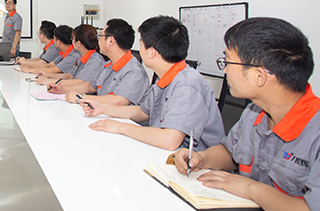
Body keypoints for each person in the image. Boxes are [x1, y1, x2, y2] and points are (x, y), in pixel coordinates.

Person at [173, 17, 320, 211]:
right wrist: (202, 158)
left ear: (259, 76)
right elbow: (230, 152)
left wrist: (252, 190)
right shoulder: (255, 112)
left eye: (228, 61)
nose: (224, 70)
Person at [82, 16, 224, 151]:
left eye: (141, 45)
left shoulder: (187, 85)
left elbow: (170, 140)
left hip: (193, 162)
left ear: (151, 53)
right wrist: (102, 109)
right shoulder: (164, 79)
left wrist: (120, 127)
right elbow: (143, 112)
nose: (139, 50)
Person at [51, 19, 149, 109]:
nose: (98, 41)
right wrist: (62, 89)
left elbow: (118, 101)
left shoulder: (134, 71)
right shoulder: (108, 65)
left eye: (100, 36)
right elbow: (89, 86)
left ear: (110, 41)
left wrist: (80, 98)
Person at [36, 24, 105, 86]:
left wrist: (49, 81)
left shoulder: (95, 61)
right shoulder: (82, 57)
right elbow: (70, 76)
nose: (71, 42)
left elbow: (80, 82)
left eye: (72, 39)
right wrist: (48, 75)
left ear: (78, 43)